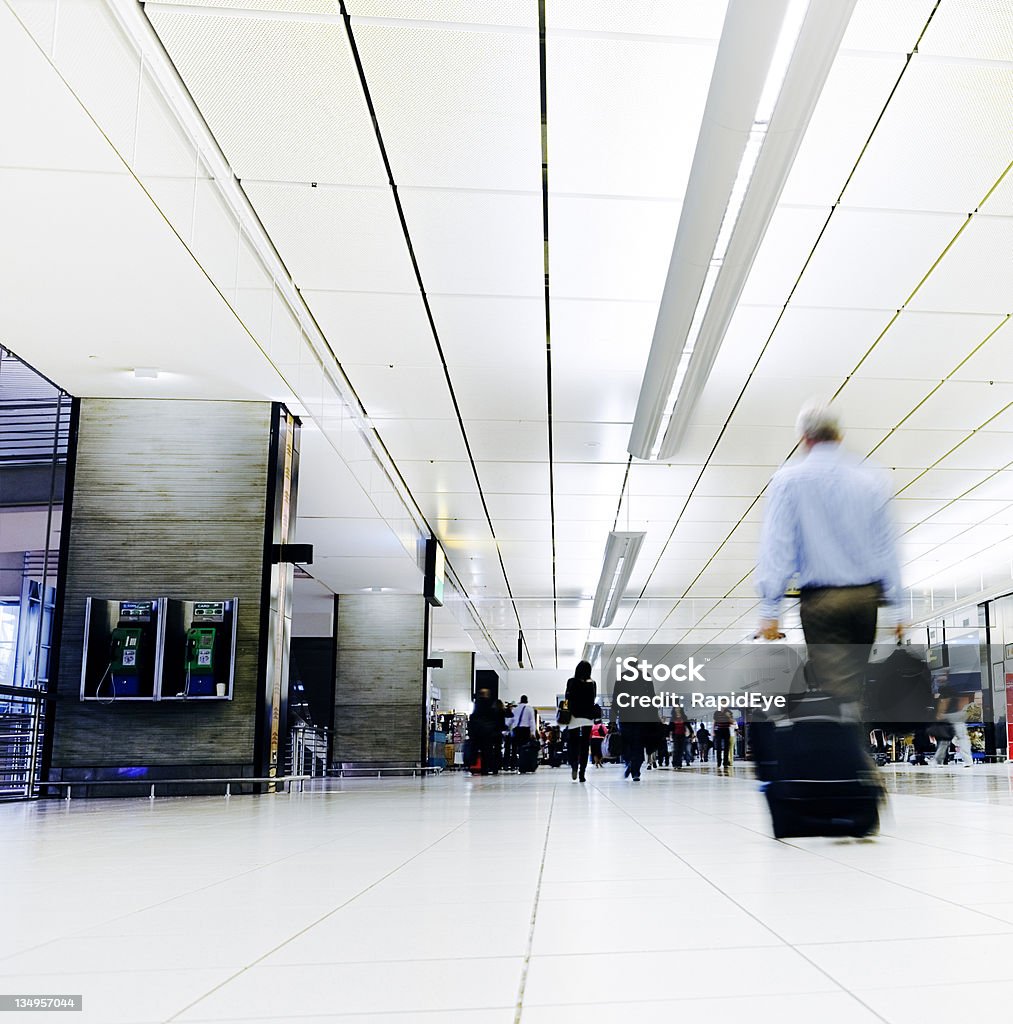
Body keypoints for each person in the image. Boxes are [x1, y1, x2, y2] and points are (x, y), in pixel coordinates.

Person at [756, 401, 903, 718]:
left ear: (804, 439)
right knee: (853, 683)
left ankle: (853, 762)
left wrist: (770, 609)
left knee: (836, 691)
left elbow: (778, 547)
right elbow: (887, 546)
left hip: (823, 602)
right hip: (865, 599)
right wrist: (899, 606)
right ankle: (853, 757)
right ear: (839, 436)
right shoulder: (871, 478)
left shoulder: (788, 480)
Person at [563, 660, 597, 782]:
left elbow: (567, 698)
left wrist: (566, 710)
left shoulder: (571, 682)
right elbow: (593, 699)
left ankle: (574, 765)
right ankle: (582, 773)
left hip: (574, 717)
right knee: (584, 745)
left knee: (573, 743)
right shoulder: (592, 683)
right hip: (587, 717)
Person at [468, 688, 501, 775]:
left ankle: (473, 765)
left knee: (476, 750)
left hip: (477, 732)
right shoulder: (490, 705)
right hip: (487, 733)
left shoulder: (477, 705)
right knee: (487, 751)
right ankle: (486, 768)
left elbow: (473, 718)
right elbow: (494, 718)